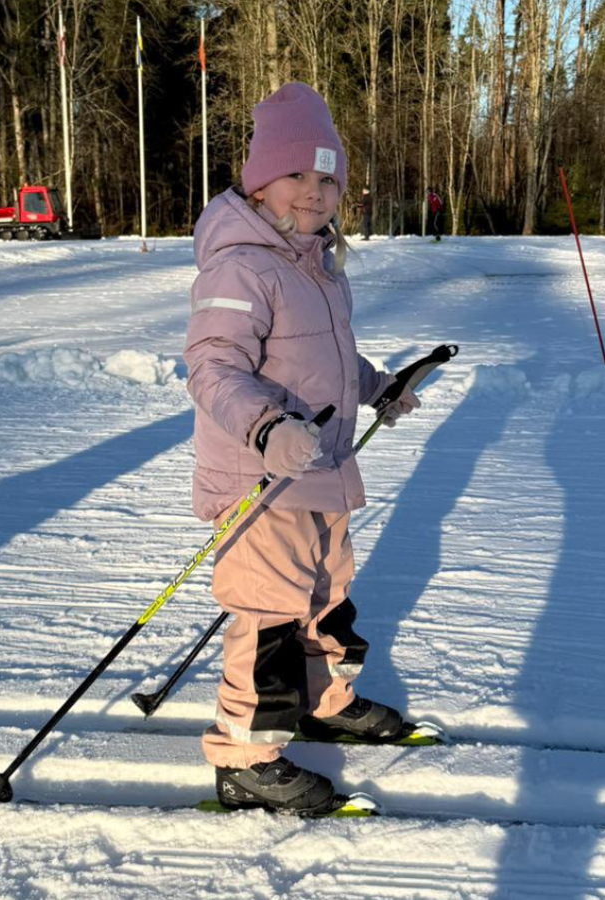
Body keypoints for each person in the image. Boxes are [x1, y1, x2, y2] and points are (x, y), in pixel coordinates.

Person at [184, 82, 422, 817]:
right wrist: (265, 429)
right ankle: (244, 756)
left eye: (329, 179)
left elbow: (328, 363)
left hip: (320, 472)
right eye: (298, 176)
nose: (315, 193)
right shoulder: (241, 264)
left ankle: (322, 701)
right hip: (262, 479)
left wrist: (378, 386)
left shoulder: (316, 267)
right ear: (261, 181)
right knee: (269, 616)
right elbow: (212, 368)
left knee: (325, 601)